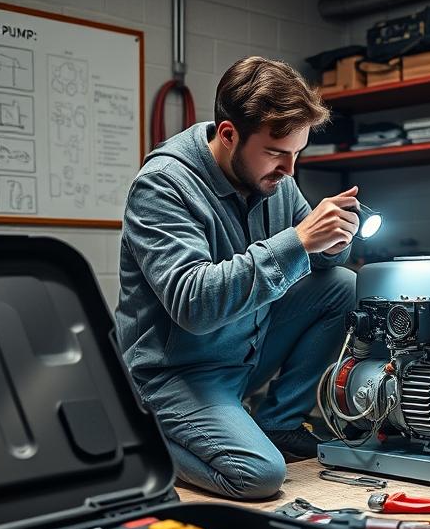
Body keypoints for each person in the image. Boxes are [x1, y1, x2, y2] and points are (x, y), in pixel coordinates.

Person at [115, 56, 360, 499]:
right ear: (228, 134)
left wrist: (336, 239)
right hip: (178, 374)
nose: (290, 171)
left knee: (341, 286)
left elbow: (315, 263)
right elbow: (193, 304)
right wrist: (300, 241)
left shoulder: (274, 180)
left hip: (243, 354)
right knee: (258, 475)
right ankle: (135, 440)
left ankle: (280, 423)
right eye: (276, 153)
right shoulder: (162, 187)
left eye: (297, 154)